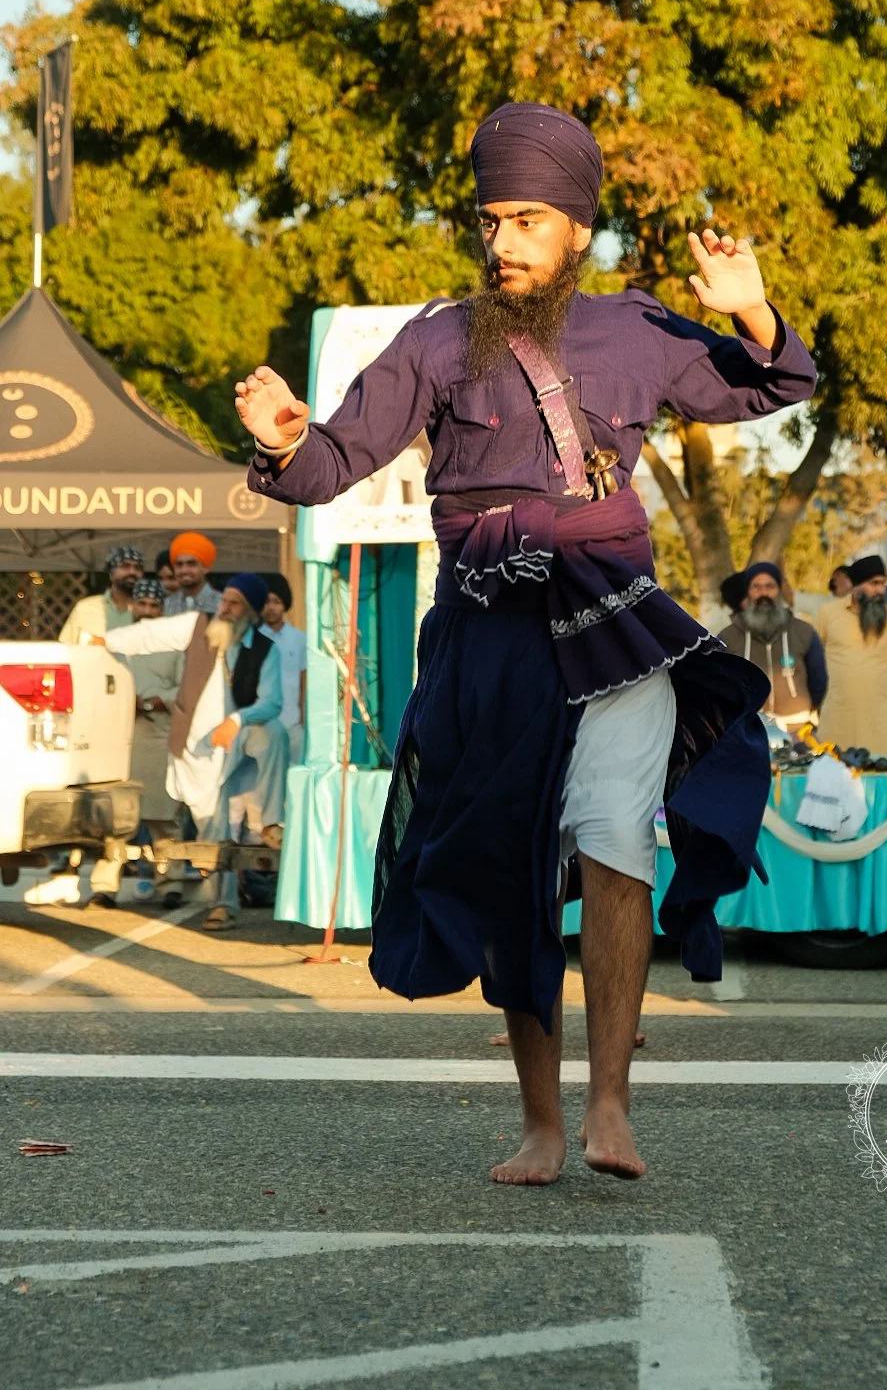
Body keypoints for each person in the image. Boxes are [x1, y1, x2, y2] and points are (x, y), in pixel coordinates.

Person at [235, 98, 816, 1185]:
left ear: (573, 226)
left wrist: (751, 310)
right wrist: (281, 440)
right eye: (488, 219)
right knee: (506, 863)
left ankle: (608, 1107)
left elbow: (778, 383)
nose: (499, 241)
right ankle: (540, 1122)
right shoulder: (434, 339)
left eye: (523, 220)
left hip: (611, 617)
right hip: (485, 632)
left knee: (614, 846)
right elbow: (328, 467)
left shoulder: (636, 329)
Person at [99, 573, 288, 932]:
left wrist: (237, 719)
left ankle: (270, 821)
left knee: (273, 732)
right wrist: (103, 640)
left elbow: (273, 702)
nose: (225, 608)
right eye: (225, 600)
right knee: (213, 826)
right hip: (200, 748)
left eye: (235, 603)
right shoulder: (196, 626)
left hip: (241, 740)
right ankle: (223, 904)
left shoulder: (267, 649)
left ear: (250, 611)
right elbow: (148, 635)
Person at [89, 577, 187, 907]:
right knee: (116, 819)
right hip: (118, 739)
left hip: (157, 735)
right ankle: (104, 886)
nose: (146, 611)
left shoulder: (174, 645)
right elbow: (98, 681)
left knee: (163, 816)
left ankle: (171, 883)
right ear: (132, 607)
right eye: (141, 604)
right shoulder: (115, 644)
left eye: (153, 605)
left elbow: (185, 689)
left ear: (162, 609)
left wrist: (153, 701)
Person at [814, 555, 887, 756]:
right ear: (855, 585)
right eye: (874, 584)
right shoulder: (828, 614)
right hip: (837, 721)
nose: (881, 590)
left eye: (883, 584)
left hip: (881, 725)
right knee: (834, 782)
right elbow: (814, 662)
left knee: (882, 782)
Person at [718, 562, 827, 735]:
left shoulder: (804, 632)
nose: (764, 593)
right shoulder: (728, 638)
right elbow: (719, 687)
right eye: (756, 587)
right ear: (748, 592)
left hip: (798, 730)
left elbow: (819, 682)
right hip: (747, 731)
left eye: (770, 586)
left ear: (779, 591)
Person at [261, 574, 307, 766]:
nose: (271, 607)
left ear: (285, 604)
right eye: (266, 602)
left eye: (277, 602)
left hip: (292, 723)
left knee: (293, 777)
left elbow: (304, 679)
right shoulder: (251, 639)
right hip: (262, 724)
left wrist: (303, 717)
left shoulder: (299, 639)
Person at [58, 545, 145, 643]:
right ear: (111, 573)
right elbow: (66, 647)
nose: (132, 572)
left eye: (137, 568)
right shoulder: (85, 607)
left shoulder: (149, 611)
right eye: (125, 566)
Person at [163, 533, 222, 616]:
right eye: (179, 564)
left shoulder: (222, 604)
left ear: (206, 568)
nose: (184, 570)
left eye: (191, 564)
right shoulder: (166, 604)